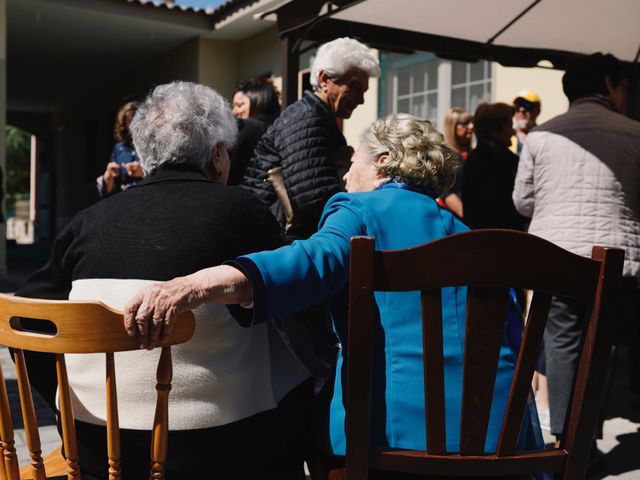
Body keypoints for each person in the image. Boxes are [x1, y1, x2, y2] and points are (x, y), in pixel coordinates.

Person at [125, 114, 543, 470]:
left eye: (353, 161)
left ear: (382, 162)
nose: (345, 174)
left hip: (387, 446)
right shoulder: (471, 236)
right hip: (495, 446)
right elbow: (512, 342)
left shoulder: (359, 210)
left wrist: (195, 284)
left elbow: (310, 262)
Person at [16, 81, 310, 479]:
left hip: (95, 449)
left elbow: (28, 317)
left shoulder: (89, 221)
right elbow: (294, 305)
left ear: (144, 154)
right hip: (214, 449)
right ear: (219, 155)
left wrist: (65, 400)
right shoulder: (243, 211)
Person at [513, 53, 640, 441]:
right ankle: (590, 433)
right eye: (620, 86)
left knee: (563, 345)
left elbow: (522, 201)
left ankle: (571, 446)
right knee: (605, 347)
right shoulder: (635, 132)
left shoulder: (540, 136)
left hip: (557, 257)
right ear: (607, 84)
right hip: (618, 260)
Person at [242, 37, 380, 240]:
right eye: (354, 86)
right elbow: (314, 201)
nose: (361, 99)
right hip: (275, 242)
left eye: (364, 91)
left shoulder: (317, 118)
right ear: (325, 80)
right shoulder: (306, 119)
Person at [461, 102, 527, 231]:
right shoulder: (499, 161)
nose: (513, 132)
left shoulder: (475, 159)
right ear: (495, 130)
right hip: (503, 239)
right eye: (509, 125)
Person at [229, 77, 281, 185]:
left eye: (239, 105)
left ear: (258, 101)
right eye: (233, 106)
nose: (234, 111)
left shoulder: (245, 129)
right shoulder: (281, 130)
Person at [96, 101, 145, 198]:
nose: (131, 126)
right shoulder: (119, 148)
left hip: (144, 196)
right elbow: (107, 191)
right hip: (122, 198)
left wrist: (143, 172)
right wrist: (108, 177)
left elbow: (162, 176)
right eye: (128, 122)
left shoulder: (149, 144)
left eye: (135, 121)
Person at [439, 107, 474, 217]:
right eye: (465, 123)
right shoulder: (445, 156)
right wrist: (466, 214)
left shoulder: (475, 154)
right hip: (455, 219)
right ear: (453, 127)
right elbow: (446, 192)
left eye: (472, 122)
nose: (471, 126)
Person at [511, 90, 541, 155]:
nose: (522, 110)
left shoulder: (545, 138)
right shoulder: (506, 138)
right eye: (517, 106)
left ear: (538, 110)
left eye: (527, 105)